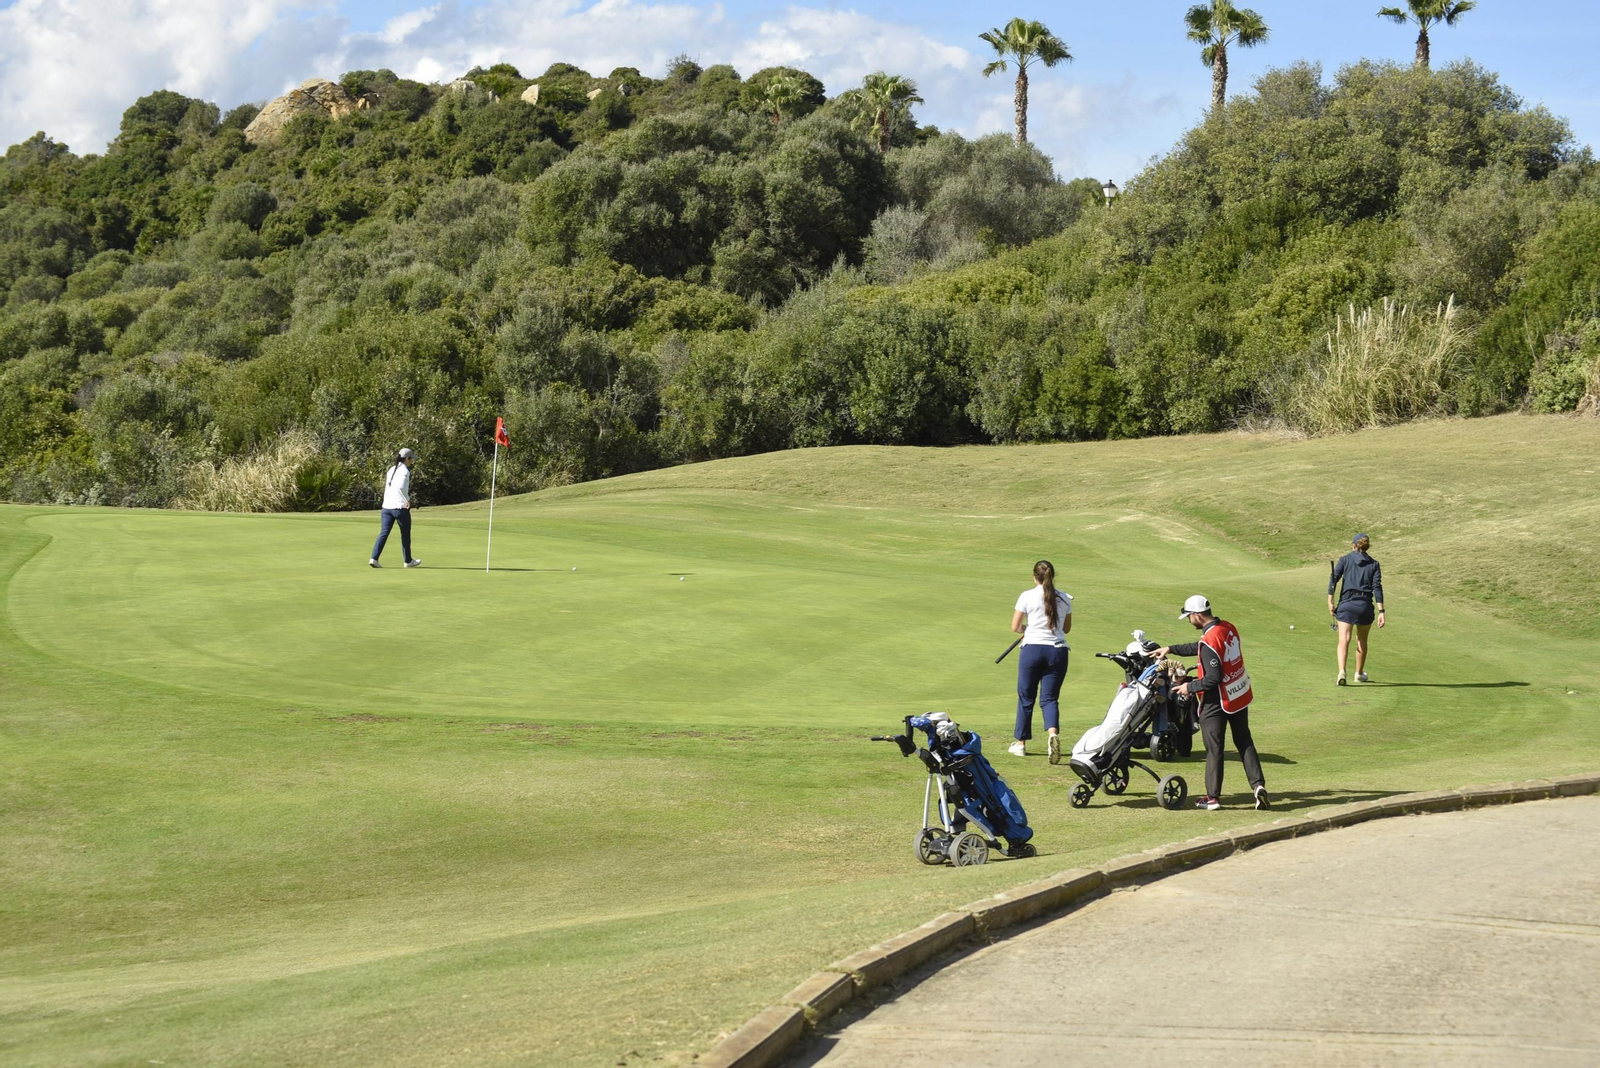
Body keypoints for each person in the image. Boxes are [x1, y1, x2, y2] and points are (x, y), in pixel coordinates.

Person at [1152, 595, 1269, 811]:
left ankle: (1212, 798)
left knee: (1215, 748)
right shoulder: (1227, 627)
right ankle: (1258, 786)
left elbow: (1213, 677)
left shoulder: (1209, 641)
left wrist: (1190, 687)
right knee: (1244, 741)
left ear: (1197, 615)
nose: (1189, 621)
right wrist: (1170, 648)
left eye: (1189, 617)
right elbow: (1202, 646)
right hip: (1238, 693)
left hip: (1217, 701)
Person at [1008, 560, 1072, 762]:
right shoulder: (1064, 598)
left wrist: (1029, 629)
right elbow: (1066, 629)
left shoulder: (1027, 596)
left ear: (1034, 576)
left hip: (1032, 650)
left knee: (1026, 697)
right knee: (1049, 698)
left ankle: (1021, 744)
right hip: (1058, 651)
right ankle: (1052, 734)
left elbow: (1016, 626)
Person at [1329, 533, 1385, 685]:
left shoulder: (1345, 559)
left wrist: (1330, 600)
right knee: (1361, 640)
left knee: (1344, 639)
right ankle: (1359, 674)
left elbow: (1333, 579)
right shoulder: (1374, 564)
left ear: (1354, 545)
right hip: (1365, 606)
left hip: (1347, 604)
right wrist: (1381, 611)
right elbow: (1377, 587)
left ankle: (1342, 671)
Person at [369, 448, 422, 569]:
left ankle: (374, 558)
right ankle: (408, 561)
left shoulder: (391, 469)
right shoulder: (404, 471)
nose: (412, 461)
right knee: (405, 534)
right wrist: (407, 499)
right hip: (399, 507)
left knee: (384, 532)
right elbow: (401, 487)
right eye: (411, 458)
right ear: (407, 459)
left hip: (386, 507)